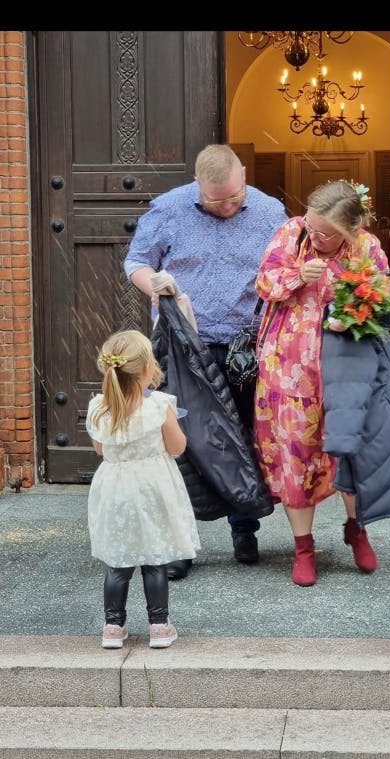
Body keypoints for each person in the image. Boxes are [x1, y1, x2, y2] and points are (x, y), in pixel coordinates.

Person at [124, 144, 288, 570]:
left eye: (235, 197)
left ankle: (244, 531)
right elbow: (136, 262)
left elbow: (288, 270)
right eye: (217, 200)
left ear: (245, 175)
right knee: (181, 443)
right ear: (197, 185)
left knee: (243, 435)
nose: (228, 206)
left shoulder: (271, 212)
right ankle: (180, 543)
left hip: (245, 346)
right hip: (182, 346)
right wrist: (155, 283)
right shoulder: (168, 209)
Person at [254, 179, 389, 587]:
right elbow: (263, 283)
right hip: (288, 368)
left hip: (345, 368)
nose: (315, 235)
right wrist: (297, 274)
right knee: (295, 454)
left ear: (349, 231)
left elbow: (383, 301)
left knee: (348, 449)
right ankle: (303, 547)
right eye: (312, 226)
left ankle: (356, 529)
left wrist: (353, 300)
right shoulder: (291, 234)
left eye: (325, 232)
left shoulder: (366, 248)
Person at [86, 330, 200, 648]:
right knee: (154, 557)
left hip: (114, 488)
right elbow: (177, 446)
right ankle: (159, 627)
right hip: (153, 486)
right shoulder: (159, 406)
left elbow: (99, 448)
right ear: (147, 369)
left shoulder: (99, 408)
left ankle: (113, 627)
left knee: (118, 560)